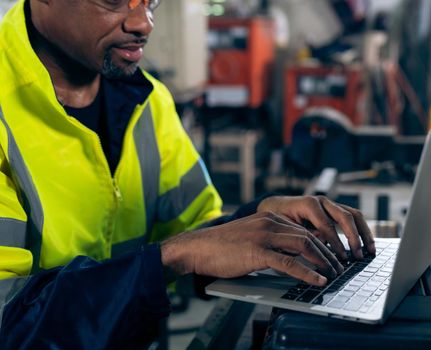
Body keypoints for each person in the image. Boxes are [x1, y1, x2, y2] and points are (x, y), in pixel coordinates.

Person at [0, 0, 375, 348]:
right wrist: (171, 257)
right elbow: (8, 325)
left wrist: (261, 220)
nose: (143, 23)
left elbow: (196, 239)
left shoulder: (147, 102)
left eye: (151, 1)